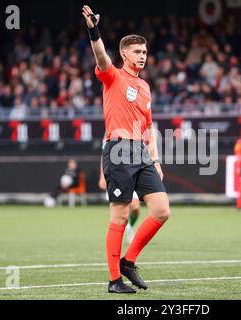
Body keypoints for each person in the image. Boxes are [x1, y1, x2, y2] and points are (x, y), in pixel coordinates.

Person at [82, 5, 171, 294]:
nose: (142, 56)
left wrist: (155, 159)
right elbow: (99, 55)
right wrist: (94, 30)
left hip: (142, 153)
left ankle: (129, 261)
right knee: (119, 215)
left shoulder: (145, 86)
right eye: (137, 52)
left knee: (161, 210)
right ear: (124, 55)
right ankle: (113, 280)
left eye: (144, 52)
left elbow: (149, 127)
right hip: (118, 150)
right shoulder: (112, 75)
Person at [99, 135, 141, 245]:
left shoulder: (138, 126)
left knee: (136, 208)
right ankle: (115, 240)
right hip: (116, 173)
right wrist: (102, 176)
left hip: (133, 172)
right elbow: (104, 154)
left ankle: (130, 227)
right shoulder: (110, 130)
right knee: (119, 211)